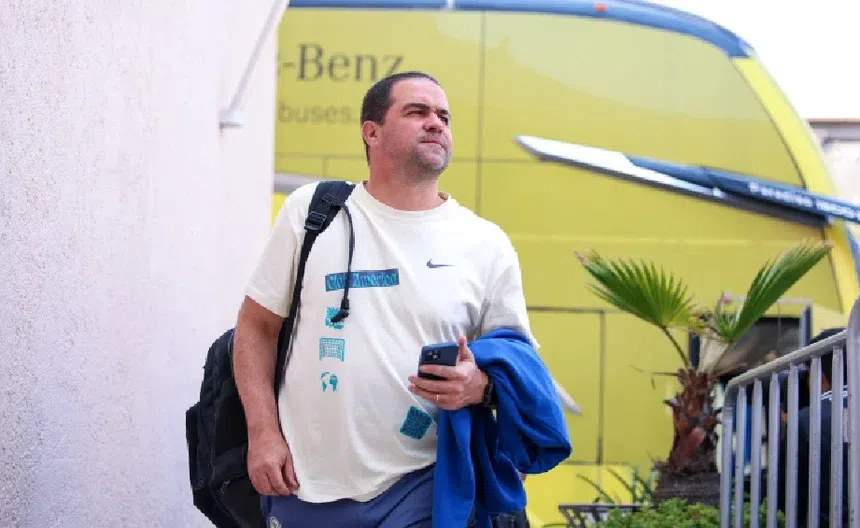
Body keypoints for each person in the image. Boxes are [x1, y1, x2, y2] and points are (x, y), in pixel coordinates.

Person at [233, 71, 538, 528]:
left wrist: (480, 386)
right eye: (417, 111)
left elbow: (517, 369)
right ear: (370, 132)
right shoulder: (313, 213)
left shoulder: (485, 243)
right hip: (303, 483)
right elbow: (256, 327)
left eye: (444, 116)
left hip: (427, 483)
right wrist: (262, 433)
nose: (435, 123)